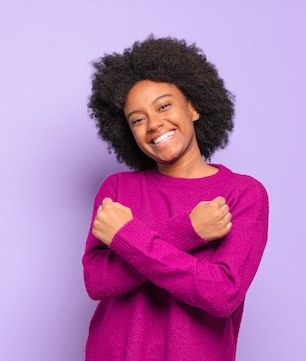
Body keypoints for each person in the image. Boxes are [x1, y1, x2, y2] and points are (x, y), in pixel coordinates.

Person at [82, 36, 269, 361]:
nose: (154, 124)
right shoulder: (117, 190)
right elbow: (98, 282)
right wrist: (189, 231)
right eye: (137, 119)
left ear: (194, 107)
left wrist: (126, 236)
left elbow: (223, 293)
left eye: (164, 106)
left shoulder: (243, 193)